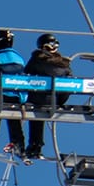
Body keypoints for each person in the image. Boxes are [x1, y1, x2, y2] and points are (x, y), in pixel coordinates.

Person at [22, 33, 72, 161]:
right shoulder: (64, 65)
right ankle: (36, 146)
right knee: (39, 115)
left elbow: (25, 77)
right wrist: (59, 102)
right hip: (53, 100)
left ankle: (34, 145)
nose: (52, 47)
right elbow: (68, 87)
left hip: (36, 99)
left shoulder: (36, 61)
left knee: (36, 116)